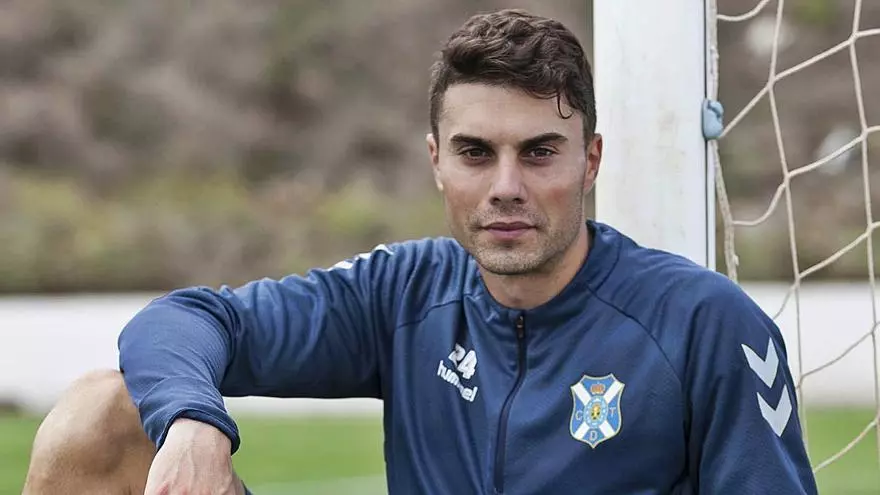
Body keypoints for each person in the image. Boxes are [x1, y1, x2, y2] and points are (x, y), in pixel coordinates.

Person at [24, 8, 818, 495]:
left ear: (592, 160)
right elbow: (179, 321)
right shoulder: (402, 294)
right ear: (436, 160)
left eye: (539, 152)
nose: (505, 186)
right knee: (101, 413)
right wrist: (194, 421)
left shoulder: (704, 324)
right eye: (476, 153)